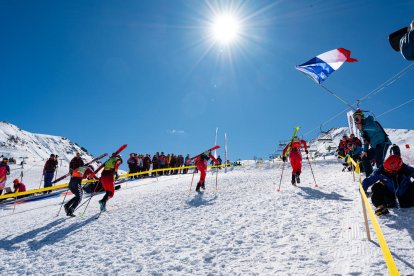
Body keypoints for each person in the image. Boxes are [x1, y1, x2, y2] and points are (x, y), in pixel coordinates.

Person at [353, 109, 391, 177]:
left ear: (362, 117)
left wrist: (363, 127)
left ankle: (385, 179)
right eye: (355, 117)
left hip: (382, 143)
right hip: (374, 147)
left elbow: (374, 128)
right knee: (364, 158)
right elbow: (366, 140)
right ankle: (370, 176)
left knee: (379, 161)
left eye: (357, 116)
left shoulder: (370, 121)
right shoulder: (362, 129)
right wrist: (365, 151)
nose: (356, 118)